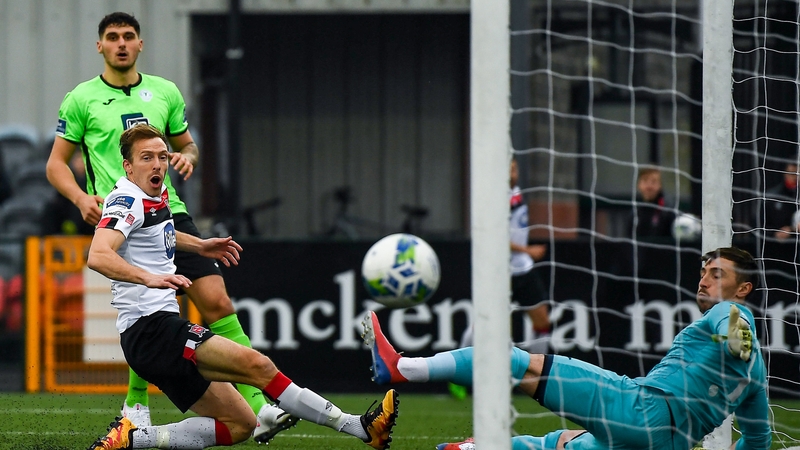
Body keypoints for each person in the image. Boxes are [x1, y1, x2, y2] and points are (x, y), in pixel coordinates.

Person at [44, 12, 294, 443]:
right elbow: (55, 165)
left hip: (170, 211)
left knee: (217, 302)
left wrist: (189, 158)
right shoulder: (81, 99)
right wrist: (82, 198)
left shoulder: (165, 92)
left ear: (140, 44)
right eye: (112, 37)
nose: (121, 43)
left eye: (129, 36)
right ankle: (135, 407)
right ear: (99, 46)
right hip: (124, 218)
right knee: (151, 310)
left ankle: (259, 408)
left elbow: (188, 144)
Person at [86, 125, 398, 450]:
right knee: (259, 366)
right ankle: (361, 428)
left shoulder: (153, 195)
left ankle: (134, 440)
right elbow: (98, 254)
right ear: (128, 166)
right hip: (152, 331)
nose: (157, 164)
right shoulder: (126, 198)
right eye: (146, 157)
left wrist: (199, 246)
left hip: (154, 337)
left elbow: (155, 233)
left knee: (241, 425)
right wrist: (147, 277)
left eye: (162, 156)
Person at [363, 247, 771, 450]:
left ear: (743, 289)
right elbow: (757, 441)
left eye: (716, 274)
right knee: (559, 443)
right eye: (703, 272)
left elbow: (732, 324)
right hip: (667, 443)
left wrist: (737, 334)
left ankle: (400, 367)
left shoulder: (732, 313)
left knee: (516, 362)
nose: (703, 281)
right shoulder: (756, 381)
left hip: (643, 409)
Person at [460, 158, 551, 352]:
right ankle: (456, 377)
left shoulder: (515, 193)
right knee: (483, 326)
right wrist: (529, 250)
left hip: (523, 269)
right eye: (508, 170)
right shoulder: (493, 199)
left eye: (515, 169)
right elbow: (494, 237)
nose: (513, 174)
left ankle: (538, 376)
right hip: (500, 272)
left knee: (542, 320)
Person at [628, 167, 675, 238]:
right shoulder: (634, 213)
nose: (649, 186)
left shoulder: (668, 211)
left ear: (660, 185)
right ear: (639, 185)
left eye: (654, 181)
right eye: (645, 180)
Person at [762, 162, 800, 241]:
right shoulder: (771, 197)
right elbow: (758, 225)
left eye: (798, 174)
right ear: (785, 174)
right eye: (792, 174)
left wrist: (792, 229)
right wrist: (775, 233)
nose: (795, 178)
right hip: (777, 247)